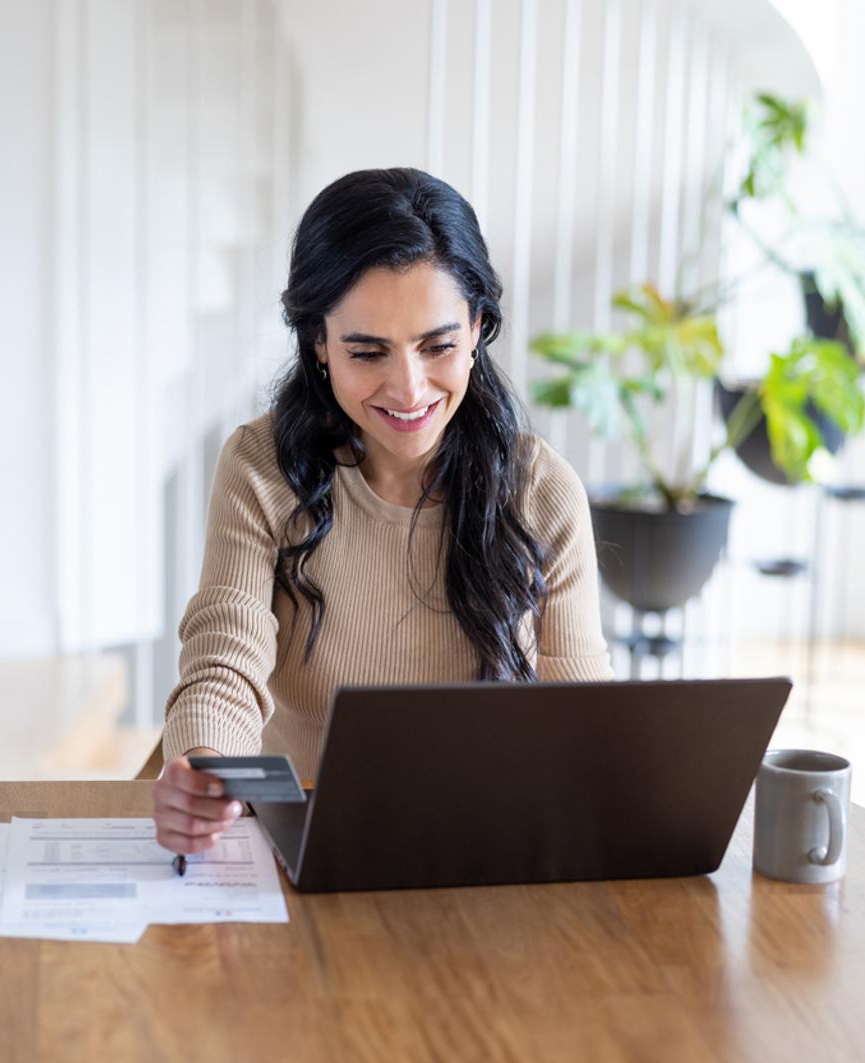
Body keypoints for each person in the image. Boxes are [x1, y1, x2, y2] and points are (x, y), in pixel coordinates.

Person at [153, 167, 614, 855]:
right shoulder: (259, 466)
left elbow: (583, 727)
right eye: (367, 352)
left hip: (479, 847)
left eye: (438, 346)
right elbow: (225, 662)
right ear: (318, 345)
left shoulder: (541, 490)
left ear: (479, 326)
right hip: (298, 841)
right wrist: (202, 766)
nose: (408, 389)